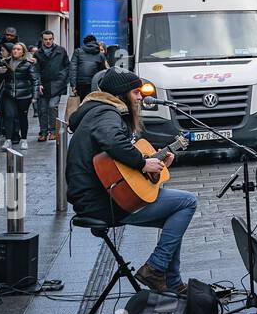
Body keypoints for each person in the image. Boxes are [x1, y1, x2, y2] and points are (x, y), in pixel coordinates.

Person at [65, 67, 197, 294]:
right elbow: (114, 142)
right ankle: (155, 269)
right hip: (102, 200)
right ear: (121, 94)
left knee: (174, 218)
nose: (140, 97)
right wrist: (143, 164)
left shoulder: (97, 111)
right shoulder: (106, 113)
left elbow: (116, 158)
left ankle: (172, 284)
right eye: (136, 92)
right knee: (187, 202)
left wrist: (154, 162)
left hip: (102, 194)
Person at [0, 42, 40, 150]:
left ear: (23, 52)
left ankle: (24, 139)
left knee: (22, 117)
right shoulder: (5, 62)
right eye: (14, 49)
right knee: (8, 116)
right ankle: (8, 140)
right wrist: (1, 73)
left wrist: (35, 96)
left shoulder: (28, 64)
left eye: (19, 49)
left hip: (24, 95)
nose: (16, 51)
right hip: (9, 94)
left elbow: (35, 81)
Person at [30, 31, 69, 142]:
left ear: (53, 39)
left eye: (50, 39)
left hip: (57, 84)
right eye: (45, 39)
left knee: (52, 107)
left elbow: (67, 66)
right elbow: (36, 70)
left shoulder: (61, 51)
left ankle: (53, 131)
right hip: (44, 84)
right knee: (42, 109)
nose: (48, 41)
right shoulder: (38, 53)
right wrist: (39, 83)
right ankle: (43, 132)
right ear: (42, 40)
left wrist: (62, 78)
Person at [68, 35, 110, 101]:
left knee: (83, 102)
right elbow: (102, 71)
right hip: (95, 83)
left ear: (84, 43)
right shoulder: (100, 54)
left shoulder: (78, 52)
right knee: (94, 102)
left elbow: (73, 69)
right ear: (95, 42)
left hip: (81, 84)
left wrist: (73, 85)